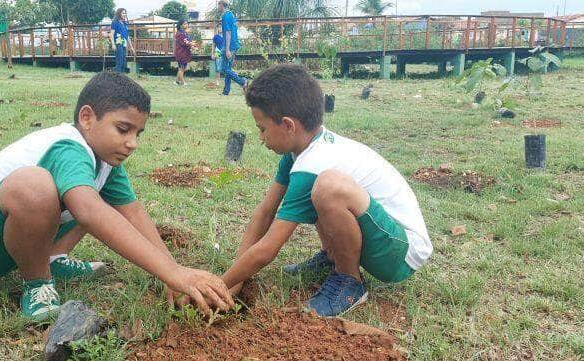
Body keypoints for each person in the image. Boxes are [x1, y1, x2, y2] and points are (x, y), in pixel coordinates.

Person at [0, 72, 234, 321]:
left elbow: (132, 212)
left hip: (9, 241)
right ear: (87, 117)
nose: (132, 143)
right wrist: (174, 272)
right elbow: (89, 213)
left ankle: (51, 259)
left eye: (138, 133)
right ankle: (38, 283)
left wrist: (172, 273)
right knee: (38, 185)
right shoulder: (68, 146)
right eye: (123, 129)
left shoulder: (105, 159)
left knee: (93, 196)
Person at [215, 64, 432, 317]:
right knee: (321, 190)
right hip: (383, 235)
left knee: (327, 188)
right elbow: (265, 212)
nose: (261, 138)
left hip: (400, 253)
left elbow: (267, 250)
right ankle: (333, 256)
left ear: (288, 125)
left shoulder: (314, 164)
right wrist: (235, 282)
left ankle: (349, 280)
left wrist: (220, 286)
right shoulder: (301, 151)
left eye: (262, 129)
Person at [217, 0, 247, 95]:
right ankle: (226, 91)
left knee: (224, 68)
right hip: (234, 44)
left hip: (229, 45)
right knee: (228, 68)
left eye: (219, 5)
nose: (218, 7)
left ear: (222, 5)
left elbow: (228, 32)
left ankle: (243, 82)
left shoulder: (225, 16)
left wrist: (227, 49)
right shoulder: (231, 14)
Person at [110, 8, 136, 73]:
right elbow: (111, 34)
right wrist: (113, 44)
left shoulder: (124, 24)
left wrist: (131, 47)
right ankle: (117, 75)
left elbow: (127, 36)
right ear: (119, 14)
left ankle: (122, 76)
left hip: (124, 42)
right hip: (118, 41)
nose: (124, 14)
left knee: (124, 60)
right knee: (120, 60)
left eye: (125, 13)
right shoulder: (115, 22)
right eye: (123, 13)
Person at [173, 19, 194, 86]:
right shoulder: (179, 33)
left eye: (187, 23)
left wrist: (192, 45)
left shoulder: (184, 33)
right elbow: (186, 42)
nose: (186, 25)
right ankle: (183, 82)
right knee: (181, 68)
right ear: (181, 25)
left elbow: (189, 41)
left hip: (184, 53)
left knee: (183, 68)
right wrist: (192, 45)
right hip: (180, 53)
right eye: (184, 24)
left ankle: (177, 81)